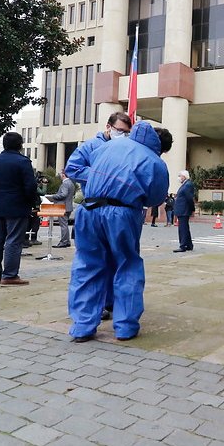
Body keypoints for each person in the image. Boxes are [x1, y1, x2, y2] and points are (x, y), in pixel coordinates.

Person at [67, 121, 170, 342]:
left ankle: (82, 325)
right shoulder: (155, 161)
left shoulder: (106, 146)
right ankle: (125, 326)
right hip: (122, 213)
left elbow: (81, 169)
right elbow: (156, 198)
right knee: (127, 264)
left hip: (88, 209)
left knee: (87, 265)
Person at [65, 111, 133, 320]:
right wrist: (100, 174)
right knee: (94, 261)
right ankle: (94, 306)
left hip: (116, 210)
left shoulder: (126, 148)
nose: (121, 134)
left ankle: (110, 300)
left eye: (126, 132)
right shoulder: (90, 146)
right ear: (108, 127)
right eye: (119, 130)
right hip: (93, 208)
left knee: (116, 259)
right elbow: (72, 168)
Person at [0, 132, 37, 286]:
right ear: (20, 145)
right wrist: (31, 201)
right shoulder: (23, 162)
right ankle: (10, 275)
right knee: (13, 240)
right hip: (17, 206)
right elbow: (30, 185)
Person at [47, 171, 75, 248]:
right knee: (65, 224)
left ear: (63, 175)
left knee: (63, 225)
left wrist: (53, 196)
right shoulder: (71, 183)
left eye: (60, 174)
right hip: (68, 206)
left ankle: (64, 242)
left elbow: (63, 194)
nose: (59, 176)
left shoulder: (65, 183)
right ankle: (66, 241)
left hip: (63, 206)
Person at [172, 170, 195, 252]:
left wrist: (192, 209)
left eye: (180, 176)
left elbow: (189, 198)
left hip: (184, 210)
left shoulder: (187, 185)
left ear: (184, 176)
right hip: (182, 209)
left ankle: (183, 245)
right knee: (185, 228)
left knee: (183, 228)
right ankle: (189, 245)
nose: (179, 178)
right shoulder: (185, 184)